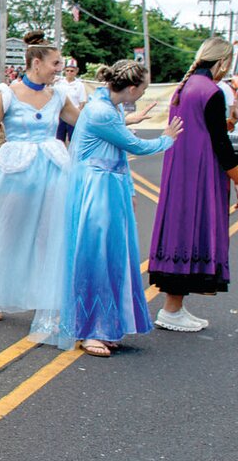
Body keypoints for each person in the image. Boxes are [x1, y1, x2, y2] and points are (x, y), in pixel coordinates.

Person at [50, 60, 182, 356]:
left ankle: (104, 324)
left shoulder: (109, 107)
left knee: (111, 257)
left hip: (109, 185)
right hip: (95, 188)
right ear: (132, 88)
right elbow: (134, 146)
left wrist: (130, 189)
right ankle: (89, 329)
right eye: (144, 88)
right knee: (94, 256)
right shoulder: (100, 111)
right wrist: (167, 140)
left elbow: (119, 152)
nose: (143, 94)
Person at [0, 31, 81, 333]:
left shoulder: (58, 95)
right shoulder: (5, 92)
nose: (60, 68)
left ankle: (47, 298)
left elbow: (82, 121)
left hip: (53, 168)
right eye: (55, 63)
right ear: (36, 62)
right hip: (18, 171)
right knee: (8, 230)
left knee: (50, 235)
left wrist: (120, 121)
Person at [149, 36, 238, 332]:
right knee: (194, 231)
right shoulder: (211, 91)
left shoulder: (185, 87)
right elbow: (220, 142)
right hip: (200, 173)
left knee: (179, 233)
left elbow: (203, 128)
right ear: (223, 61)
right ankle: (171, 311)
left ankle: (174, 307)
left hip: (179, 170)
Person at [54, 62, 87, 142]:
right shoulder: (59, 83)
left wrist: (77, 115)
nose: (69, 73)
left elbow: (82, 102)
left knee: (73, 139)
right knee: (59, 139)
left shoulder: (79, 85)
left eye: (72, 71)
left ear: (76, 72)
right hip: (60, 114)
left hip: (73, 114)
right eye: (67, 70)